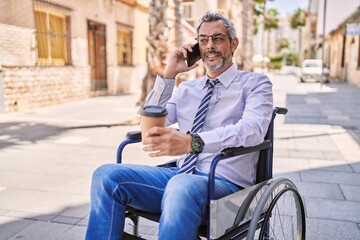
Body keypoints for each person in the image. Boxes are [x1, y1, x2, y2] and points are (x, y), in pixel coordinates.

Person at [85, 11, 273, 240]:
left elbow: (252, 130)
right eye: (203, 40)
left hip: (224, 186)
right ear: (197, 48)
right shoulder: (187, 90)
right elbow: (149, 119)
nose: (210, 46)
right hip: (178, 176)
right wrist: (169, 74)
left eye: (217, 38)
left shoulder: (254, 83)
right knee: (106, 176)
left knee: (181, 185)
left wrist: (193, 143)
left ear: (233, 43)